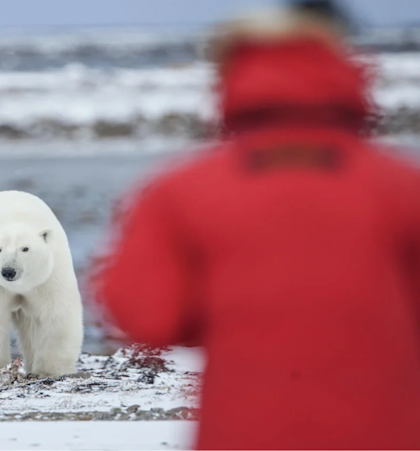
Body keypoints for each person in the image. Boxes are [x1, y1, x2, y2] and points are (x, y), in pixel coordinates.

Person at [92, 5, 420, 450]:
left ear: (231, 71)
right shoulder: (402, 187)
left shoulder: (180, 191)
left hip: (245, 431)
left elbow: (145, 317)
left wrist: (235, 318)